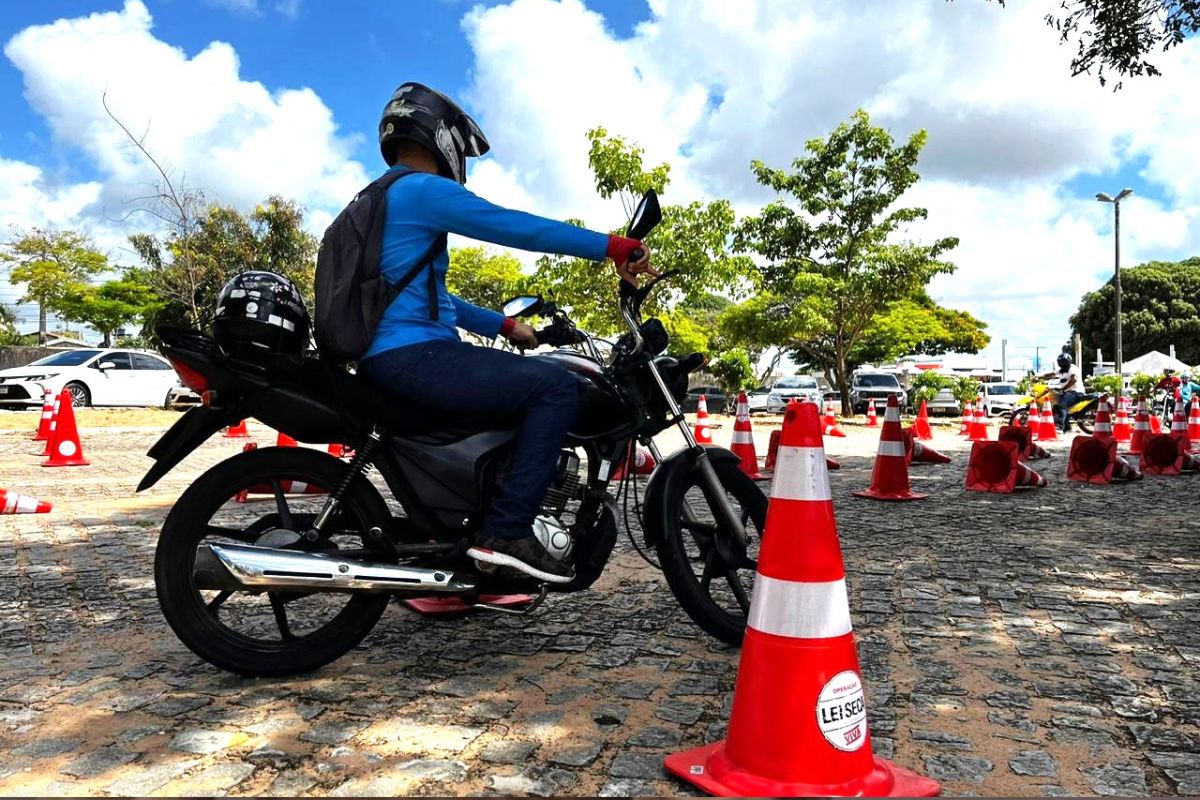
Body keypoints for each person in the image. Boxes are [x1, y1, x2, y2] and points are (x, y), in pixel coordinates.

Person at [357, 82, 653, 585]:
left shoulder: (377, 200)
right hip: (414, 355)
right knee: (556, 387)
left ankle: (470, 531)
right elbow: (514, 227)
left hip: (392, 355)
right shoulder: (420, 190)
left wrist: (504, 325)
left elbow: (435, 301)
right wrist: (613, 246)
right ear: (441, 138)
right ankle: (507, 531)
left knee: (517, 394)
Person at [1053, 352, 1084, 432]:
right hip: (1068, 392)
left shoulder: (1073, 368)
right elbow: (1051, 374)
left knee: (1062, 405)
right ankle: (1067, 427)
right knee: (1058, 405)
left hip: (1076, 392)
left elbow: (1073, 380)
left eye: (1064, 363)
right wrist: (1039, 377)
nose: (1062, 365)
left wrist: (1063, 389)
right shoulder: (1062, 370)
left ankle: (1060, 427)